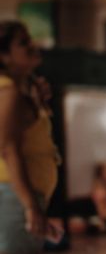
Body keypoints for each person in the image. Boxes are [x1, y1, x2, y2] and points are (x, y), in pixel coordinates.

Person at [0, 21, 63, 254]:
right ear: (5, 56)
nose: (32, 45)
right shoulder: (7, 91)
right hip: (12, 195)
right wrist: (30, 206)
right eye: (23, 43)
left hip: (17, 196)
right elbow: (7, 149)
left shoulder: (22, 90)